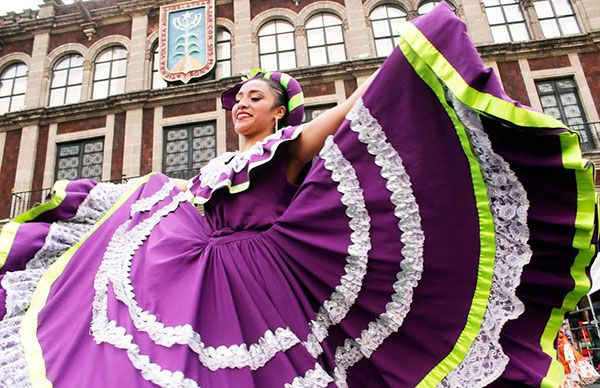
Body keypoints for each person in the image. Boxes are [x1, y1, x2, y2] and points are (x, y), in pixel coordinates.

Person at [0, 3, 597, 387]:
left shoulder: (286, 148)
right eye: (237, 97)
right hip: (180, 278)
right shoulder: (213, 168)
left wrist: (412, 51)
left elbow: (349, 112)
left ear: (282, 109)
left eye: (254, 96)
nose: (240, 103)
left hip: (251, 290)